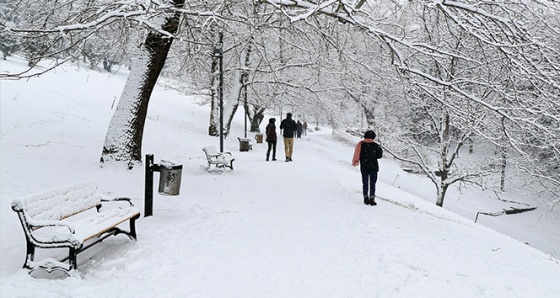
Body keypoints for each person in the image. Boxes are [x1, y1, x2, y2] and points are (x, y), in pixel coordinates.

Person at [352, 130, 383, 205]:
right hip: (373, 166)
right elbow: (379, 156)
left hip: (364, 166)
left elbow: (358, 155)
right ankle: (372, 199)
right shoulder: (375, 145)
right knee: (373, 183)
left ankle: (365, 198)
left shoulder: (360, 145)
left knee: (365, 183)